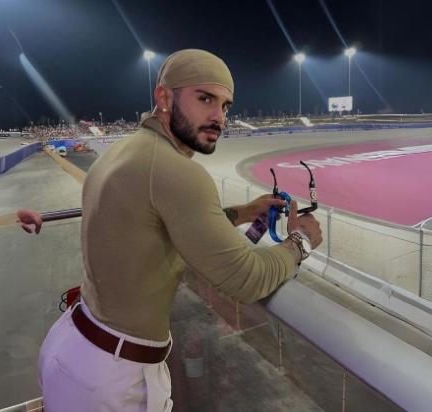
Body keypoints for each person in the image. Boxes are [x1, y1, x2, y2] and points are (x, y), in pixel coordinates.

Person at [17, 49, 322, 411]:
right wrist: (301, 241)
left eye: (226, 105)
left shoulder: (125, 151)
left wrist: (247, 211)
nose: (218, 117)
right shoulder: (176, 170)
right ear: (163, 98)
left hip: (75, 346)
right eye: (205, 98)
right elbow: (246, 278)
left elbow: (168, 223)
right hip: (111, 377)